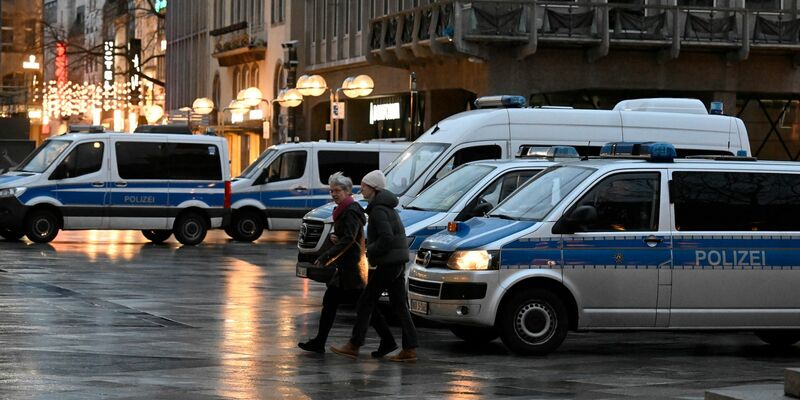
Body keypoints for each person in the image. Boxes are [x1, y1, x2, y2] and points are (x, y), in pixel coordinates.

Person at [298, 172, 397, 356]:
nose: (333, 194)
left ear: (347, 191)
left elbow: (350, 239)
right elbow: (347, 237)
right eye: (331, 190)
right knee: (334, 302)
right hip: (346, 268)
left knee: (365, 306)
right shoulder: (344, 209)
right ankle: (320, 342)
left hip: (352, 268)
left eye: (337, 190)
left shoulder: (351, 210)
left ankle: (387, 341)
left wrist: (327, 256)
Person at [331, 170, 419, 362]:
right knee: (399, 305)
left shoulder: (379, 210)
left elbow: (386, 237)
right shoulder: (384, 207)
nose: (361, 189)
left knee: (365, 301)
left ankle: (354, 344)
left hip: (389, 263)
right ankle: (409, 348)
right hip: (395, 262)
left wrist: (370, 251)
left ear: (374, 188)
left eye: (364, 186)